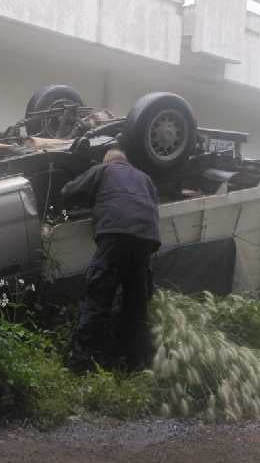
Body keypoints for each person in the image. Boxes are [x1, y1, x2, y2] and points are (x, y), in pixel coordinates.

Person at [61, 147, 161, 371]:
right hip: (146, 238)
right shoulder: (145, 178)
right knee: (136, 305)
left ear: (108, 161)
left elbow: (68, 192)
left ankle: (80, 364)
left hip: (115, 234)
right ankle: (136, 364)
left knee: (98, 298)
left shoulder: (103, 170)